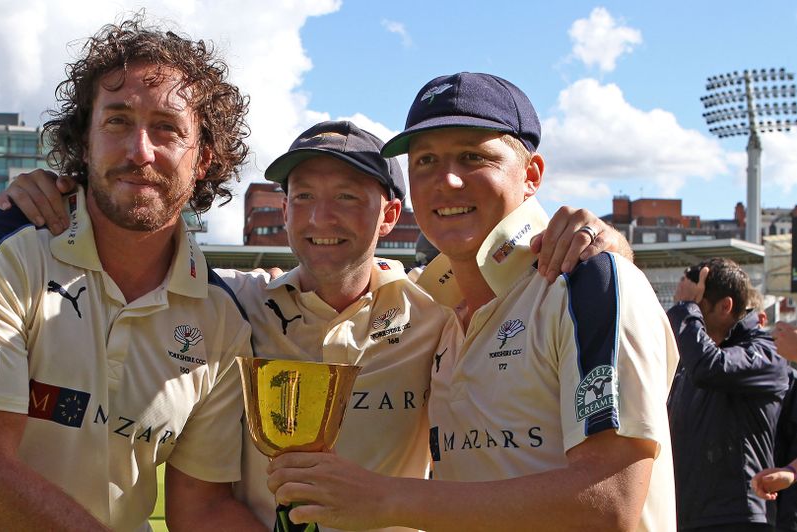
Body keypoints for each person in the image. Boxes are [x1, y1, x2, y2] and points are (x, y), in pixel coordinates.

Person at [0, 117, 631, 531]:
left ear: (387, 216)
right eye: (302, 196)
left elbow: (547, 280)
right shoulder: (234, 308)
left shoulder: (436, 315)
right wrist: (51, 199)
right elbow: (134, 262)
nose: (319, 217)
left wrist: (604, 241)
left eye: (347, 197)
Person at [264, 72, 678, 531]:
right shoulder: (433, 309)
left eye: (472, 156)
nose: (447, 181)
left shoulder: (588, 285)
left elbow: (610, 503)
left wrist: (386, 499)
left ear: (532, 175)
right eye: (425, 161)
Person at [0, 17, 265, 531]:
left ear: (202, 158)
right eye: (117, 121)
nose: (140, 151)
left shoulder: (220, 317)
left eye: (167, 128)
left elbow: (201, 507)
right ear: (83, 142)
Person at [668, 258, 790, 531]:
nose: (693, 321)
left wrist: (684, 310)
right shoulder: (694, 357)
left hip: (739, 517)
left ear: (726, 307)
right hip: (690, 517)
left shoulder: (768, 353)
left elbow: (710, 368)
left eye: (697, 310)